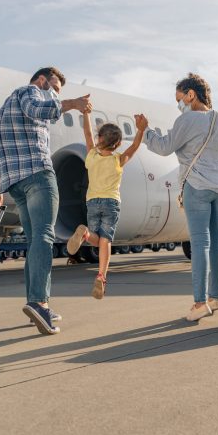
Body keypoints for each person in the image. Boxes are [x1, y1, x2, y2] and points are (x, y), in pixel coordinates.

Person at [143, 73, 218, 321]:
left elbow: (164, 147)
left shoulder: (185, 120)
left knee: (200, 244)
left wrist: (145, 132)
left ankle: (199, 304)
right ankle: (214, 298)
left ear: (191, 94)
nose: (179, 105)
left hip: (197, 188)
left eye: (180, 99)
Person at [0, 67, 92, 335]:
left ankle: (37, 302)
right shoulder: (30, 92)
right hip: (37, 175)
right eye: (55, 88)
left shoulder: (3, 110)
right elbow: (39, 110)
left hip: (15, 184)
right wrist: (73, 104)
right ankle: (39, 302)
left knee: (35, 242)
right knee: (45, 238)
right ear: (43, 80)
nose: (56, 95)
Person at [66, 111, 148, 298]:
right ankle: (101, 276)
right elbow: (134, 147)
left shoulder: (92, 156)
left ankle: (85, 233)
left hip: (93, 201)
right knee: (106, 240)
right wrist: (140, 130)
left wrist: (86, 113)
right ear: (118, 144)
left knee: (96, 237)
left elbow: (87, 133)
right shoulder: (118, 159)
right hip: (111, 202)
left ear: (99, 138)